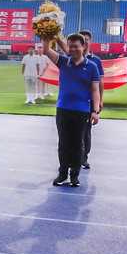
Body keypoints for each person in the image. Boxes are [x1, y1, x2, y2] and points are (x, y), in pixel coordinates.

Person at [42, 33, 100, 188]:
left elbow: (95, 90)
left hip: (82, 111)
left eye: (76, 46)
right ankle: (62, 173)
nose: (73, 49)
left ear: (83, 47)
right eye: (70, 46)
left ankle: (74, 175)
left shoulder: (92, 66)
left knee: (78, 144)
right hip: (63, 110)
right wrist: (45, 34)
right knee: (63, 143)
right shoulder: (63, 62)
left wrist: (95, 110)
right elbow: (46, 50)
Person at [74, 30, 104, 170]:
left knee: (86, 131)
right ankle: (72, 157)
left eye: (87, 39)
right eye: (82, 39)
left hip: (89, 101)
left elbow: (100, 83)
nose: (85, 41)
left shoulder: (96, 61)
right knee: (72, 132)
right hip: (74, 101)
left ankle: (83, 157)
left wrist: (100, 101)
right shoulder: (71, 58)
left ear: (90, 41)